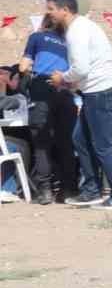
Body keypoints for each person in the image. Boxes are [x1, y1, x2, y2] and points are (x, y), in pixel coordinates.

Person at [46, 0, 112, 210]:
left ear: (65, 9)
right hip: (96, 91)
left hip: (101, 91)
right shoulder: (82, 26)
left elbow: (81, 68)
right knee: (80, 140)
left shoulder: (76, 31)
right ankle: (91, 191)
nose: (49, 13)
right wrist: (71, 83)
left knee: (102, 146)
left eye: (51, 9)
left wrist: (62, 78)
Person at [18, 14, 78, 203]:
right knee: (65, 142)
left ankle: (45, 191)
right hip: (65, 91)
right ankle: (68, 189)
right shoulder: (70, 42)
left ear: (44, 23)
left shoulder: (37, 37)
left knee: (41, 142)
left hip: (42, 88)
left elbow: (23, 67)